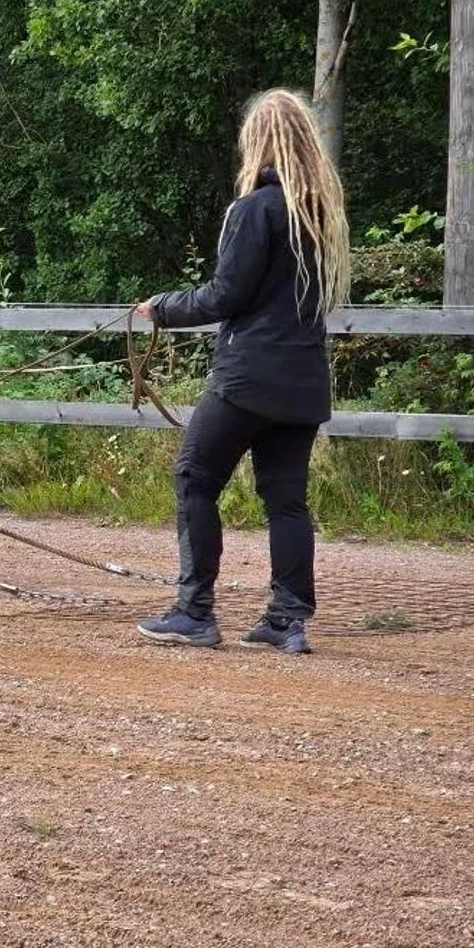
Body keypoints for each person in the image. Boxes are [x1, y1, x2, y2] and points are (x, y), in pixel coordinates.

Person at [135, 88, 349, 654]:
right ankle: (286, 620)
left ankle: (195, 610)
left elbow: (225, 295)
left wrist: (162, 307)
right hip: (302, 382)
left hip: (248, 377)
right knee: (286, 500)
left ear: (260, 141)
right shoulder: (320, 214)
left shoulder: (254, 209)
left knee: (195, 477)